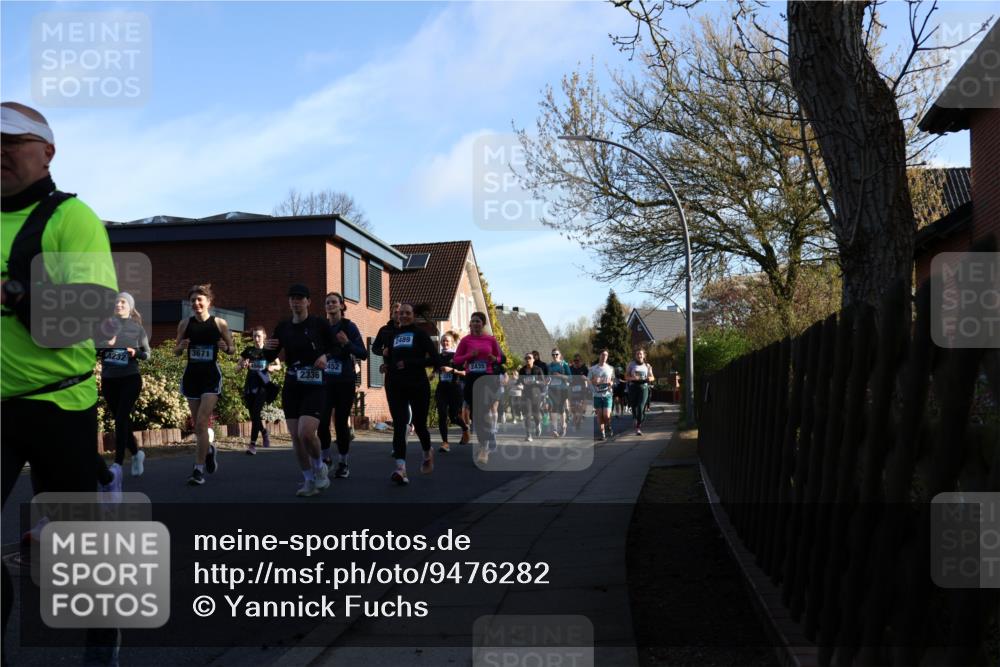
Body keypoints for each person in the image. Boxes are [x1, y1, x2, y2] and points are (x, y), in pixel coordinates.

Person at [1, 102, 121, 665]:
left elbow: (92, 318)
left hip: (58, 405)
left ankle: (102, 643)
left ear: (47, 151)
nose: (1, 152)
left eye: (13, 141)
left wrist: (14, 293)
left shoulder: (72, 219)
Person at [264, 284, 335, 496]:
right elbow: (270, 356)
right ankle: (308, 480)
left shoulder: (318, 324)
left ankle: (320, 467)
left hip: (315, 385)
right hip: (293, 384)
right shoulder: (283, 327)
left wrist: (325, 356)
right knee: (295, 436)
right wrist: (266, 350)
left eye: (300, 298)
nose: (296, 302)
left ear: (308, 302)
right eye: (292, 299)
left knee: (306, 432)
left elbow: (336, 347)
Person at [175, 284, 235, 486]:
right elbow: (176, 351)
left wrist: (226, 347)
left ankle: (197, 470)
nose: (196, 303)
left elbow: (232, 350)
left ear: (209, 302)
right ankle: (208, 450)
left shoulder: (219, 323)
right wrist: (180, 347)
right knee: (197, 426)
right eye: (193, 300)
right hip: (191, 377)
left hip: (210, 376)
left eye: (200, 299)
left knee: (202, 423)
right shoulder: (185, 324)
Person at [383, 303, 438, 483]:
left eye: (408, 313)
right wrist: (386, 365)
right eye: (401, 313)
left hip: (417, 384)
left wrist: (410, 363)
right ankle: (401, 469)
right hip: (396, 385)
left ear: (413, 315)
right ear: (397, 316)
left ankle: (427, 452)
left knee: (419, 424)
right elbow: (392, 359)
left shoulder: (420, 334)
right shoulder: (393, 336)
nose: (404, 316)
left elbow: (434, 359)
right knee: (400, 425)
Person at [97, 292, 151, 476]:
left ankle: (118, 463)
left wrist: (136, 354)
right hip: (109, 379)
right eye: (117, 302)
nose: (118, 305)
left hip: (130, 378)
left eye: (123, 302)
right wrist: (107, 343)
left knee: (120, 418)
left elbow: (148, 354)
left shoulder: (137, 328)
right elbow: (93, 349)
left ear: (129, 306)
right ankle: (137, 454)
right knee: (121, 421)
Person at [318, 291, 367, 478]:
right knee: (322, 423)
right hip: (324, 381)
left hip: (344, 381)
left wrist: (347, 344)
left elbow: (363, 353)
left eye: (333, 302)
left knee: (340, 423)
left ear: (341, 306)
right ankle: (326, 458)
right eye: (327, 302)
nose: (330, 305)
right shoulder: (322, 328)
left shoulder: (349, 326)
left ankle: (343, 463)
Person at [453, 312, 502, 465]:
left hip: (487, 379)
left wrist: (495, 359)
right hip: (471, 378)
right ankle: (488, 437)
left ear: (483, 323)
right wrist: (469, 355)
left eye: (478, 321)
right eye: (473, 321)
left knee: (485, 411)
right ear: (470, 324)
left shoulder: (491, 340)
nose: (475, 323)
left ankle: (484, 448)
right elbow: (456, 359)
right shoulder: (466, 340)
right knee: (475, 414)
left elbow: (500, 358)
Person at [239, 325, 280, 455]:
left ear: (264, 337)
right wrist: (242, 365)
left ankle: (252, 445)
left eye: (259, 336)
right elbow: (237, 367)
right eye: (254, 336)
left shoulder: (268, 351)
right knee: (254, 416)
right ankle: (264, 432)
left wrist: (273, 368)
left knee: (256, 413)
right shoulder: (248, 351)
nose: (256, 338)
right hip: (250, 386)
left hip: (263, 386)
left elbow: (279, 365)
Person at [435, 331, 469, 453]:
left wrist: (452, 370)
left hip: (455, 388)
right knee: (442, 415)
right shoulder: (438, 357)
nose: (445, 343)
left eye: (447, 341)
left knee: (454, 417)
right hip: (442, 388)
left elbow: (465, 373)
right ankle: (445, 443)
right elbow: (435, 370)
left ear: (452, 343)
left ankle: (465, 428)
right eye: (443, 341)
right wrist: (432, 375)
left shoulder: (457, 357)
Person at [626, 349, 656, 435]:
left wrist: (650, 378)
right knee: (634, 407)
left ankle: (638, 427)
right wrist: (633, 378)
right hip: (633, 387)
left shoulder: (647, 365)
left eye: (641, 354)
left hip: (644, 387)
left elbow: (652, 377)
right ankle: (635, 418)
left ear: (644, 355)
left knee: (640, 406)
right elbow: (626, 377)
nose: (639, 355)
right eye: (637, 354)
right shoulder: (631, 364)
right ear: (635, 356)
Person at [518, 353, 546, 442]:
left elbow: (543, 382)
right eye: (526, 358)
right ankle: (528, 434)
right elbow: (519, 381)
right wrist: (519, 385)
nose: (527, 360)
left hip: (536, 394)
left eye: (529, 358)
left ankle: (538, 424)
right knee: (528, 415)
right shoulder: (522, 370)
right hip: (526, 395)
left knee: (536, 415)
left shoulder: (538, 369)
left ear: (533, 359)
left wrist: (536, 382)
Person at [589, 349, 616, 440]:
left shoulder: (611, 368)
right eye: (603, 355)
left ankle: (608, 425)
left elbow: (613, 379)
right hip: (596, 395)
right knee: (600, 416)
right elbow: (588, 381)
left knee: (606, 415)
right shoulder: (593, 369)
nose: (604, 357)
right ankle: (603, 434)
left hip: (607, 394)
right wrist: (594, 381)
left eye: (606, 355)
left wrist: (611, 383)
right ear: (599, 356)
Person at [546, 348, 571, 438]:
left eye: (556, 354)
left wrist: (560, 376)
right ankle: (554, 429)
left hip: (562, 389)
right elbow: (547, 377)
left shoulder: (564, 364)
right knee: (553, 408)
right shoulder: (550, 366)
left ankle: (563, 425)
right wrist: (548, 379)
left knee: (561, 409)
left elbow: (570, 378)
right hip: (552, 390)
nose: (555, 356)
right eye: (553, 354)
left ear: (559, 355)